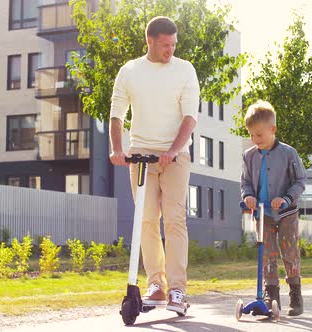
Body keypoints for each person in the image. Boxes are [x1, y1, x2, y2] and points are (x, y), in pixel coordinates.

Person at [109, 16, 199, 314]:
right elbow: (117, 114)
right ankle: (156, 285)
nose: (170, 50)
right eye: (165, 45)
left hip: (175, 156)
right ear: (150, 41)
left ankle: (176, 289)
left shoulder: (185, 70)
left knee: (174, 220)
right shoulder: (130, 71)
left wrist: (173, 150)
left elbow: (189, 117)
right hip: (141, 155)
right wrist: (118, 149)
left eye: (174, 45)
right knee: (145, 221)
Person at [240, 100, 307, 316]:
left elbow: (300, 181)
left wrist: (286, 198)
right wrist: (248, 195)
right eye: (251, 135)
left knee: (289, 251)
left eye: (259, 135)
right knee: (267, 254)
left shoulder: (289, 153)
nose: (254, 139)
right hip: (263, 213)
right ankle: (271, 295)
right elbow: (246, 182)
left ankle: (295, 294)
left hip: (286, 212)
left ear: (273, 130)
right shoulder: (249, 156)